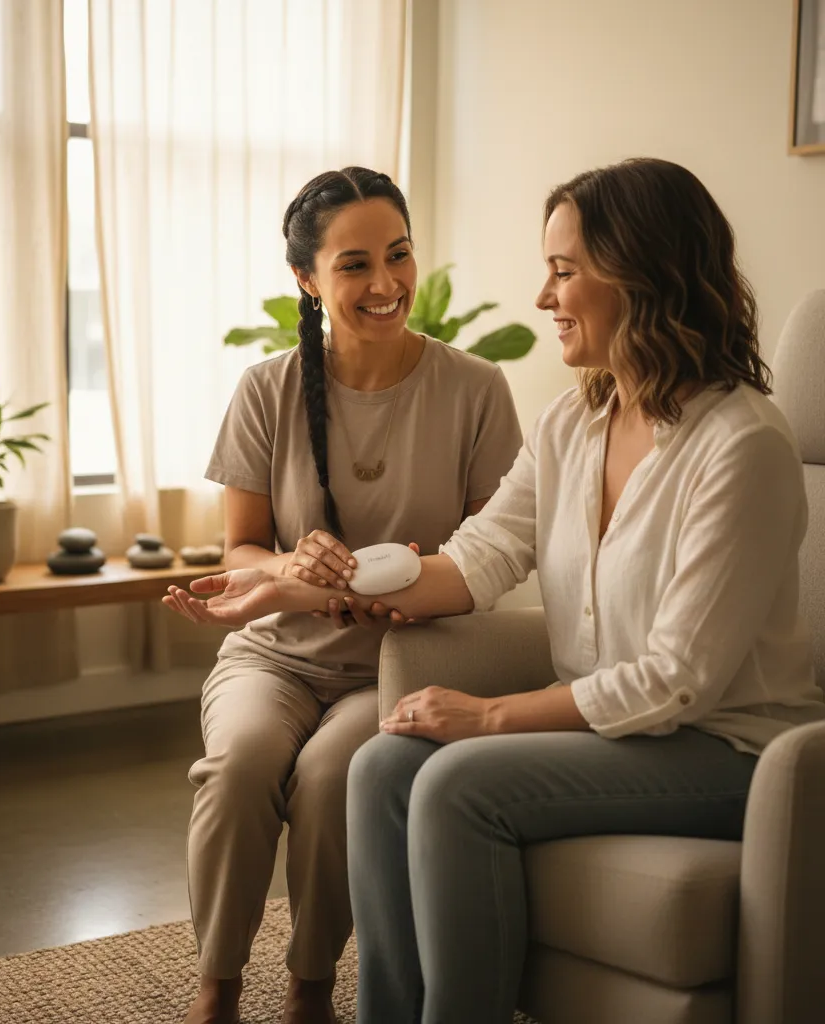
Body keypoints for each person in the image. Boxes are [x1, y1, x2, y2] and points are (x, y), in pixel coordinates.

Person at [164, 157, 825, 1024]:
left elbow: (677, 681)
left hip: (726, 751)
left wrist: (488, 717)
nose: (544, 298)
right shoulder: (574, 423)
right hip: (621, 736)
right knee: (382, 767)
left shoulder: (742, 445)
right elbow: (471, 562)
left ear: (643, 273)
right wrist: (286, 589)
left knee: (454, 781)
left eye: (563, 271)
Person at [176, 166, 523, 1024]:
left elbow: (495, 557)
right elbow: (242, 549)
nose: (385, 285)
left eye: (398, 256)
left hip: (399, 660)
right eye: (355, 264)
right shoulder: (267, 389)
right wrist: (294, 564)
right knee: (240, 763)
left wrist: (407, 583)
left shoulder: (476, 391)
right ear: (307, 278)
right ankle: (217, 986)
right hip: (276, 654)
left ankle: (311, 985)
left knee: (337, 775)